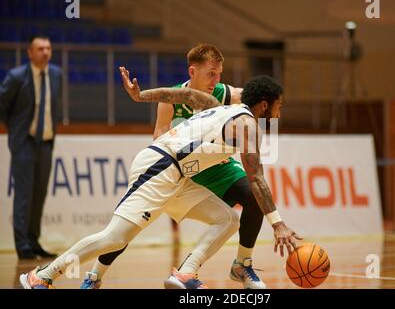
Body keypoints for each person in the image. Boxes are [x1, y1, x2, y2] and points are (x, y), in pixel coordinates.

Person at [19, 68, 300, 289]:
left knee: (227, 219)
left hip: (178, 175)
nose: (279, 112)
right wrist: (279, 225)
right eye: (279, 106)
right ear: (265, 105)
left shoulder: (221, 107)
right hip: (160, 167)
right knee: (115, 237)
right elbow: (257, 179)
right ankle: (42, 276)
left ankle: (186, 273)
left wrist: (142, 96)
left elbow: (184, 96)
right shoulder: (247, 124)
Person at [82, 44, 268, 289]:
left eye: (220, 73)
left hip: (215, 167)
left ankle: (242, 264)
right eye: (211, 73)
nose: (217, 79)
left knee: (255, 196)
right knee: (129, 226)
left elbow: (257, 101)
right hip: (181, 168)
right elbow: (159, 140)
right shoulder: (172, 99)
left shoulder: (226, 94)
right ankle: (95, 275)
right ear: (193, 71)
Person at [0, 35, 61, 260]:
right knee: (24, 194)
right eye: (40, 48)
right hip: (24, 142)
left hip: (46, 142)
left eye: (48, 48)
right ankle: (22, 244)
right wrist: (15, 130)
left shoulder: (56, 74)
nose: (45, 52)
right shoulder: (16, 77)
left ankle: (34, 241)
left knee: (39, 194)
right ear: (30, 52)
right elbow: (2, 105)